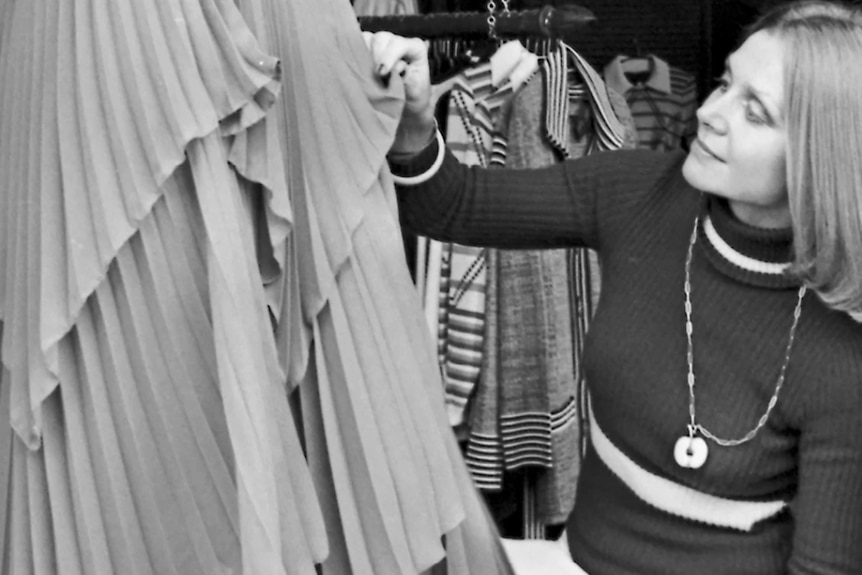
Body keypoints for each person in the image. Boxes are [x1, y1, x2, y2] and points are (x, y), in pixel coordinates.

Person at [363, 1, 862, 573]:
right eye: (725, 84)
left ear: (819, 154)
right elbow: (451, 204)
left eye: (756, 112)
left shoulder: (842, 355)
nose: (709, 112)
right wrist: (413, 128)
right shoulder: (639, 193)